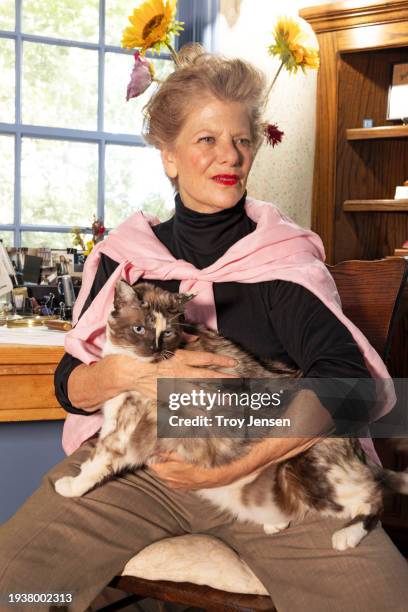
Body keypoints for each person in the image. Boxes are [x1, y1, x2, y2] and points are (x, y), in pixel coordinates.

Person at [1, 47, 407, 612]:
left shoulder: (280, 260)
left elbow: (343, 380)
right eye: (206, 140)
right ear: (169, 156)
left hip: (275, 472)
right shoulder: (129, 259)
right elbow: (69, 382)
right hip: (144, 467)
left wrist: (245, 463)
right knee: (16, 588)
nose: (230, 157)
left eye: (242, 140)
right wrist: (129, 376)